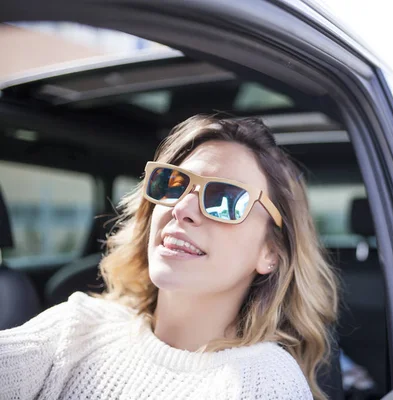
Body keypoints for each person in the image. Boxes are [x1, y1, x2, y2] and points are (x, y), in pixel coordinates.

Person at [0, 116, 339, 400]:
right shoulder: (80, 323)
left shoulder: (265, 379)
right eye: (173, 184)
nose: (182, 208)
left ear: (271, 252)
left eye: (225, 198)